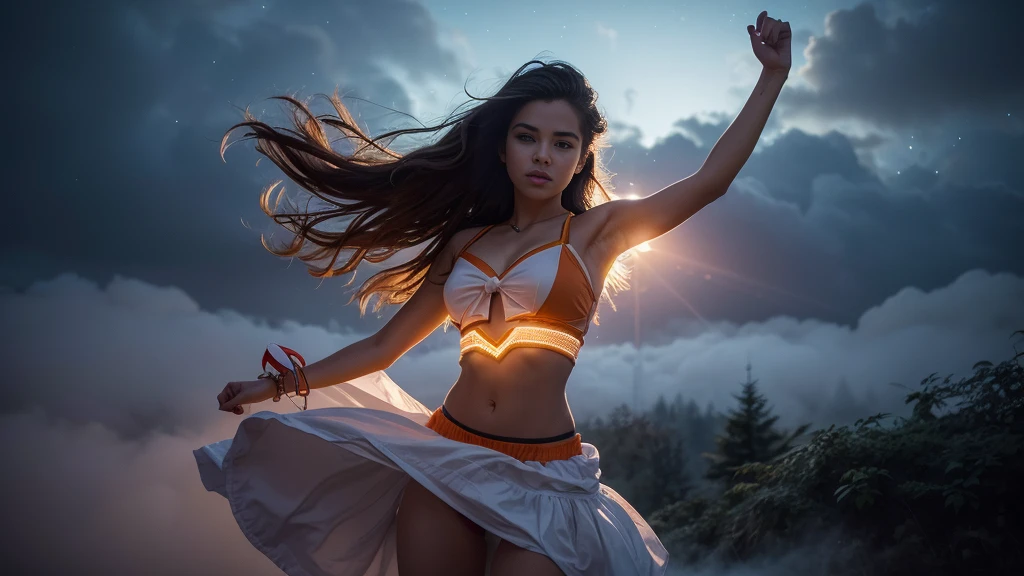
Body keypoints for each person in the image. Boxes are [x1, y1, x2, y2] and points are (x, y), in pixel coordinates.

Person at [194, 12, 791, 576]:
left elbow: (711, 181)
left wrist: (771, 76)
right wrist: (277, 385)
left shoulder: (598, 233)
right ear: (503, 147)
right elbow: (382, 346)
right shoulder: (463, 244)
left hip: (547, 481)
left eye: (562, 143)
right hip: (449, 458)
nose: (542, 155)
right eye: (528, 137)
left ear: (581, 157)